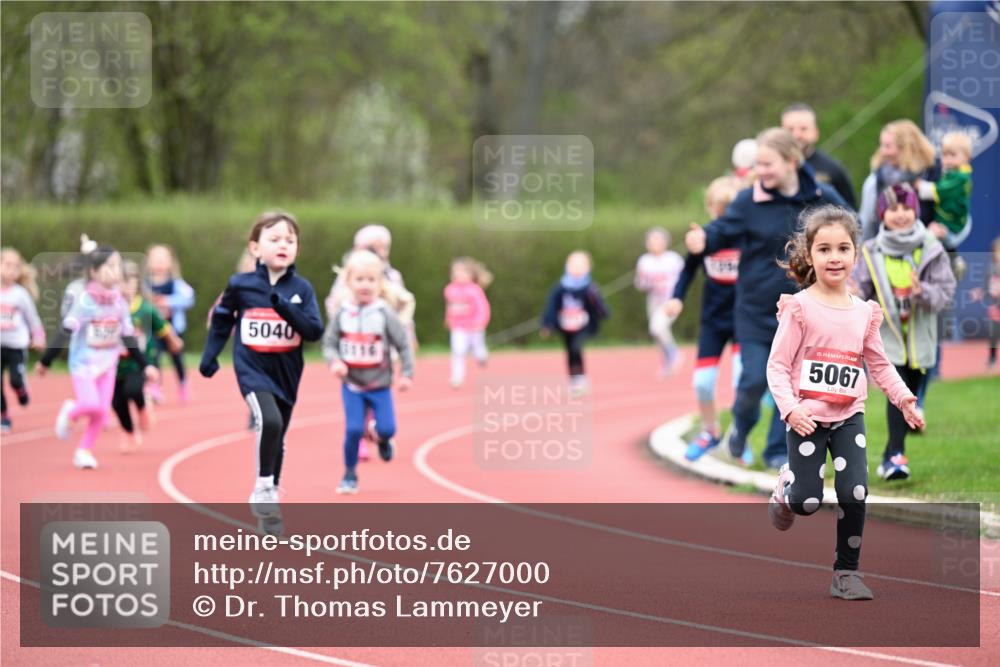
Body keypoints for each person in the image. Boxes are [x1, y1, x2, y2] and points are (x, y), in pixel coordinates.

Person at [766, 204, 923, 601]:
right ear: (809, 255)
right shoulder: (799, 308)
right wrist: (791, 409)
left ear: (856, 254)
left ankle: (846, 574)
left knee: (855, 492)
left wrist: (904, 399)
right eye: (824, 250)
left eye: (842, 249)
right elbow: (777, 367)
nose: (834, 257)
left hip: (848, 415)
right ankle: (787, 488)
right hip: (806, 418)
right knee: (806, 503)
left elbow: (879, 363)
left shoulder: (864, 312)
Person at [685, 127, 847, 469]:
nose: (761, 172)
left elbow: (850, 225)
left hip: (804, 311)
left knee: (791, 388)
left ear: (791, 161)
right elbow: (721, 230)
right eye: (757, 164)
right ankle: (739, 430)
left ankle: (776, 451)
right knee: (754, 381)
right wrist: (704, 239)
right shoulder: (748, 201)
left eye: (767, 164)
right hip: (756, 310)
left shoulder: (820, 195)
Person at [200, 211, 324, 530]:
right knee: (268, 420)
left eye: (290, 240)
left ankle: (270, 503)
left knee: (278, 433)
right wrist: (210, 355)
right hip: (252, 368)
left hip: (287, 371)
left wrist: (286, 308)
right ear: (255, 248)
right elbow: (223, 320)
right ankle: (262, 488)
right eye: (274, 239)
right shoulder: (240, 285)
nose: (283, 244)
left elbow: (313, 332)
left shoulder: (302, 288)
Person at [852, 183, 956, 481]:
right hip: (887, 337)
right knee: (898, 395)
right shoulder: (871, 251)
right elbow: (861, 290)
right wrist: (856, 292)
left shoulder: (931, 248)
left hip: (921, 336)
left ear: (916, 210)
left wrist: (921, 290)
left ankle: (893, 451)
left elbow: (946, 291)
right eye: (893, 209)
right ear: (882, 214)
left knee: (912, 391)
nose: (900, 215)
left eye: (906, 208)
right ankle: (895, 456)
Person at [38, 246, 159, 470]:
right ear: (94, 271)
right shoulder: (85, 302)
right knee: (90, 404)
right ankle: (71, 411)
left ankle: (84, 450)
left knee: (102, 412)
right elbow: (66, 330)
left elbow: (129, 338)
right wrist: (46, 360)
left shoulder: (119, 303)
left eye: (118, 266)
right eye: (110, 266)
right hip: (83, 365)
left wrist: (146, 366)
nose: (115, 271)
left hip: (108, 366)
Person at [323, 250, 414, 495]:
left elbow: (403, 344)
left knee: (387, 429)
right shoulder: (343, 313)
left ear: (380, 283)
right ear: (349, 282)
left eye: (371, 280)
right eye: (360, 279)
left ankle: (382, 440)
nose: (365, 285)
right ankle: (349, 474)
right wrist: (335, 362)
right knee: (353, 430)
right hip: (352, 384)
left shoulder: (384, 313)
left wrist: (406, 373)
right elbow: (329, 344)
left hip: (379, 385)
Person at [665, 177, 743, 461]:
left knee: (742, 379)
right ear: (710, 208)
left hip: (744, 319)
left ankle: (740, 435)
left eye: (730, 212)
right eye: (719, 211)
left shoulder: (748, 237)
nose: (724, 219)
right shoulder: (704, 238)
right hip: (713, 320)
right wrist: (676, 298)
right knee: (702, 383)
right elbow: (687, 271)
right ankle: (710, 431)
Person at [113, 261, 183, 453]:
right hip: (114, 363)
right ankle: (128, 433)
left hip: (140, 361)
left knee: (133, 389)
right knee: (117, 402)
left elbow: (162, 326)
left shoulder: (145, 309)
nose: (125, 287)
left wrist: (173, 340)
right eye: (120, 283)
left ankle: (142, 406)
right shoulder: (109, 308)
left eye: (129, 283)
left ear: (136, 284)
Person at [540, 250, 610, 396]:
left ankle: (581, 377)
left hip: (583, 325)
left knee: (577, 347)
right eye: (573, 264)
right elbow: (551, 306)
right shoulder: (560, 287)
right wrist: (547, 324)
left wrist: (602, 312)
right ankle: (573, 379)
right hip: (566, 325)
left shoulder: (590, 287)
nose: (576, 268)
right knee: (570, 351)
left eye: (580, 265)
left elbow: (599, 306)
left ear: (588, 267)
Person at [858, 120, 938, 241]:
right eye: (882, 145)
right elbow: (866, 223)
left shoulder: (933, 175)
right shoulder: (875, 181)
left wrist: (937, 235)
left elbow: (955, 220)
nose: (883, 152)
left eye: (888, 146)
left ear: (907, 148)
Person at [0, 248, 46, 432]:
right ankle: (4, 415)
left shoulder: (20, 294)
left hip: (16, 346)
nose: (11, 270)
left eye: (15, 267)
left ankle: (21, 391)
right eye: (7, 265)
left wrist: (38, 337)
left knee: (14, 380)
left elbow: (32, 318)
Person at [781, 102, 857, 208]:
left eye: (803, 129)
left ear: (816, 133)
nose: (796, 135)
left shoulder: (833, 169)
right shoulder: (769, 170)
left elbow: (851, 213)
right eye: (790, 129)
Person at [146, 244, 196, 403]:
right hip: (154, 329)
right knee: (154, 356)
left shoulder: (176, 284)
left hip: (173, 329)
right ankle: (155, 387)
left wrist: (169, 301)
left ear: (170, 262)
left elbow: (189, 298)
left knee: (177, 359)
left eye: (163, 259)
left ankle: (183, 383)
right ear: (148, 262)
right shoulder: (145, 285)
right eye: (156, 259)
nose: (159, 262)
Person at [635, 228, 685, 376]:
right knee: (660, 333)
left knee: (657, 328)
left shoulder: (673, 259)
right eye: (652, 240)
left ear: (665, 242)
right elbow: (641, 285)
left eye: (658, 240)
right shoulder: (644, 261)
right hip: (654, 300)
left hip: (670, 301)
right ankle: (666, 362)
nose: (655, 243)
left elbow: (683, 279)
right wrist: (644, 280)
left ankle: (674, 353)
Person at [918, 131, 974, 256]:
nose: (947, 159)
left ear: (967, 157)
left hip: (951, 227)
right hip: (947, 220)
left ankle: (954, 262)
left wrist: (917, 185)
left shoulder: (960, 177)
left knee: (935, 242)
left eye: (953, 155)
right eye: (944, 155)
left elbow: (937, 191)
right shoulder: (952, 172)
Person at [444, 257, 492, 388]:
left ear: (470, 274)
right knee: (458, 351)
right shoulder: (450, 289)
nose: (458, 274)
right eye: (455, 271)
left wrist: (480, 322)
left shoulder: (475, 290)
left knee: (478, 350)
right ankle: (457, 378)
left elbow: (483, 307)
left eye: (461, 271)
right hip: (458, 327)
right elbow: (450, 306)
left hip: (474, 327)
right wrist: (448, 318)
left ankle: (482, 357)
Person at [971, 237, 1000, 369]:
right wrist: (980, 293)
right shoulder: (991, 269)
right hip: (995, 307)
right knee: (993, 334)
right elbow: (987, 288)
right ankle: (992, 359)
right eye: (997, 252)